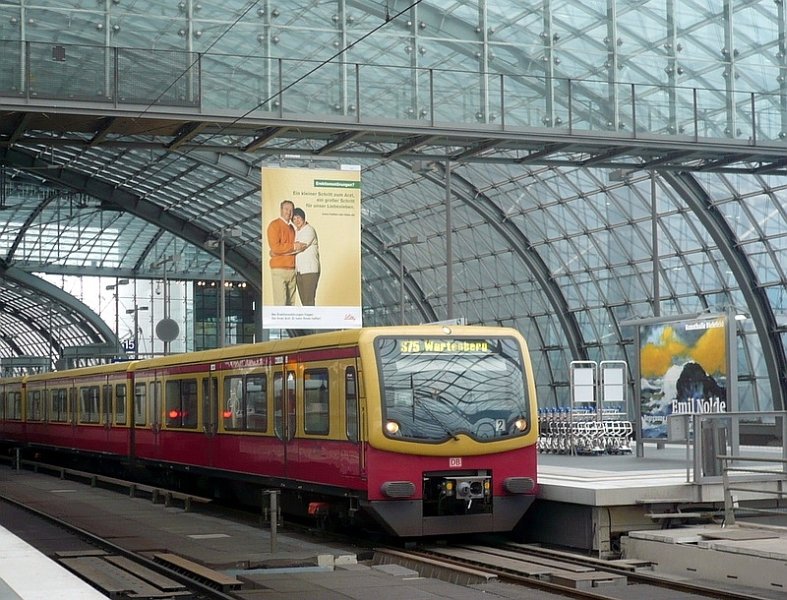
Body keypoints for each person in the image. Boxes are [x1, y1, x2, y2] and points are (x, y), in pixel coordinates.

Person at [266, 200, 296, 306]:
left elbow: (278, 250)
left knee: (291, 303)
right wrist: (293, 247)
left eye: (291, 210)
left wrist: (281, 251)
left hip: (292, 269)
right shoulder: (274, 225)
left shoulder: (292, 228)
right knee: (281, 303)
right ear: (281, 210)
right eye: (286, 209)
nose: (289, 212)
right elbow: (275, 247)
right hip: (279, 269)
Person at [291, 207, 320, 306]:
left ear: (303, 218)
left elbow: (300, 247)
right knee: (304, 302)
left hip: (309, 270)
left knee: (309, 300)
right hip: (299, 271)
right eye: (294, 219)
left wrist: (284, 247)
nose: (296, 221)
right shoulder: (296, 232)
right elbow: (293, 246)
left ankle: (312, 321)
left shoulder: (309, 230)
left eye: (298, 217)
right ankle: (307, 320)